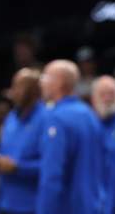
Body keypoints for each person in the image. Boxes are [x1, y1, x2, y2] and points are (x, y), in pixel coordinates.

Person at [37, 59, 104, 214]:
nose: (41, 83)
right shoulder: (89, 114)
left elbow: (52, 176)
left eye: (45, 78)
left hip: (67, 207)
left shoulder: (57, 118)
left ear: (59, 82)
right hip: (92, 205)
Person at [0, 68, 44, 214]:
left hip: (31, 206)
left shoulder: (47, 119)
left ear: (34, 89)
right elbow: (2, 154)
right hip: (5, 203)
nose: (13, 91)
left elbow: (51, 165)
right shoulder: (11, 118)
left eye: (19, 86)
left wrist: (19, 168)